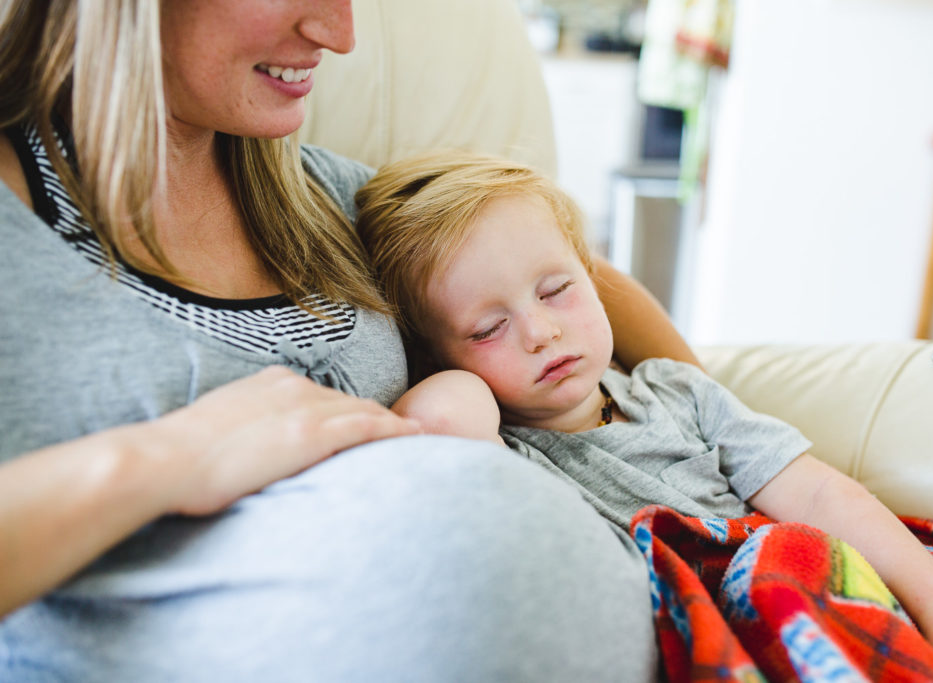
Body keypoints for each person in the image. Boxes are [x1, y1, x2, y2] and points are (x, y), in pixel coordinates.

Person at [0, 1, 704, 680]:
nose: (340, 35)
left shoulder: (331, 202)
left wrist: (706, 413)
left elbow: (575, 273)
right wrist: (169, 456)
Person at [354, 150, 933, 682]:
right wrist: (448, 370)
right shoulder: (511, 456)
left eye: (557, 288)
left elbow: (819, 493)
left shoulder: (675, 388)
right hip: (721, 624)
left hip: (819, 587)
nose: (540, 331)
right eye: (488, 327)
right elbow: (438, 426)